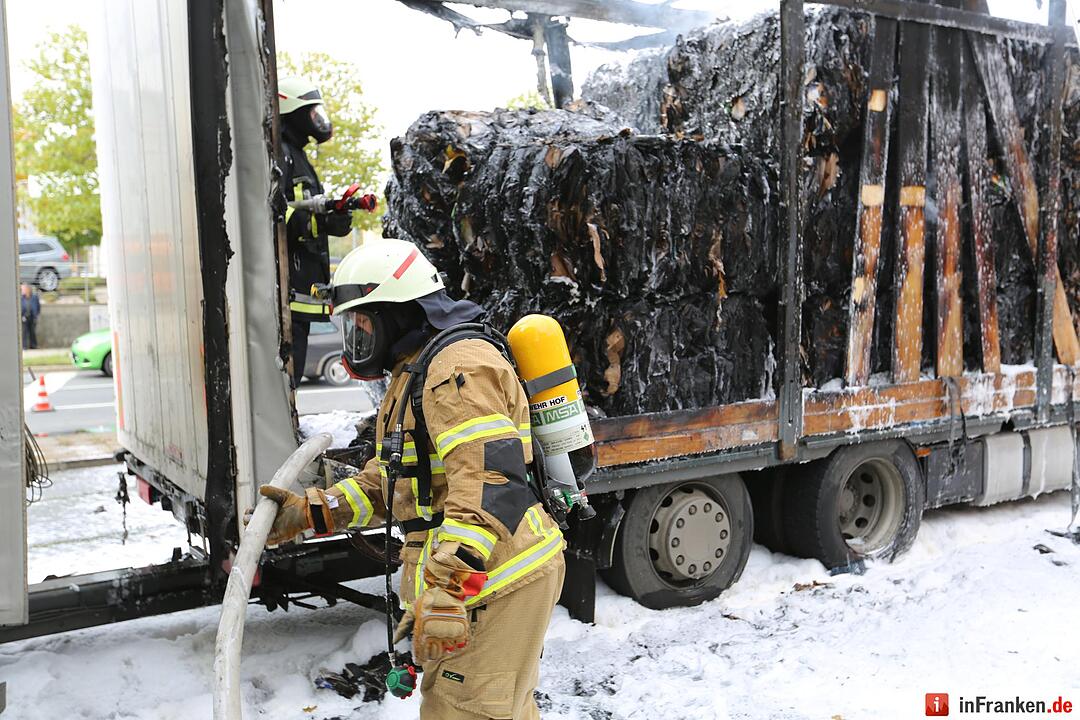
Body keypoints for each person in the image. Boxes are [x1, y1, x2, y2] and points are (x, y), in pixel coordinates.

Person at [257, 238, 566, 719]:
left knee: (464, 712)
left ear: (398, 312)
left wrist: (450, 585)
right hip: (479, 580)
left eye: (362, 325)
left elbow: (490, 483)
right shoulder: (417, 371)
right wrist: (316, 511)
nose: (355, 341)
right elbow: (396, 480)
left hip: (497, 580)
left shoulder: (456, 370)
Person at [278, 76, 354, 386]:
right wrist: (318, 222)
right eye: (311, 112)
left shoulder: (297, 156)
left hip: (300, 296)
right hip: (289, 295)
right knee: (286, 379)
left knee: (291, 378)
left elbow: (303, 208)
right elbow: (274, 211)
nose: (317, 119)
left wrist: (333, 216)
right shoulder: (281, 154)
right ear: (293, 112)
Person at [20, 283, 40, 350]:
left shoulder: (34, 297)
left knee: (32, 332)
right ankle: (24, 346)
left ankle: (33, 345)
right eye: (23, 289)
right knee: (24, 332)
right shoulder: (21, 298)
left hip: (32, 317)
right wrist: (22, 316)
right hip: (24, 317)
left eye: (24, 289)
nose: (23, 291)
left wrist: (36, 315)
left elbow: (38, 307)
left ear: (29, 289)